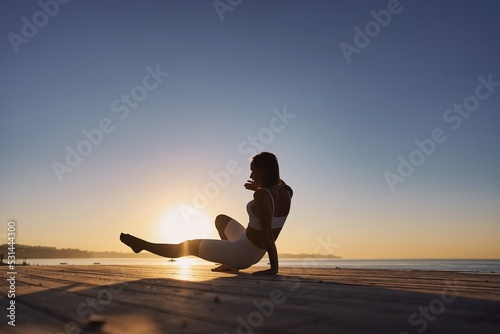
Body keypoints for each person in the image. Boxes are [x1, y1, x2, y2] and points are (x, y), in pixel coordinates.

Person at [120, 152, 293, 275]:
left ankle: (142, 245)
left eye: (253, 170)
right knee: (220, 219)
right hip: (248, 242)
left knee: (189, 246)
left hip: (243, 253)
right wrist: (260, 186)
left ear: (263, 170)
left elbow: (268, 233)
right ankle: (229, 263)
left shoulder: (262, 195)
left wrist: (274, 268)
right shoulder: (287, 191)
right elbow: (278, 185)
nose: (251, 174)